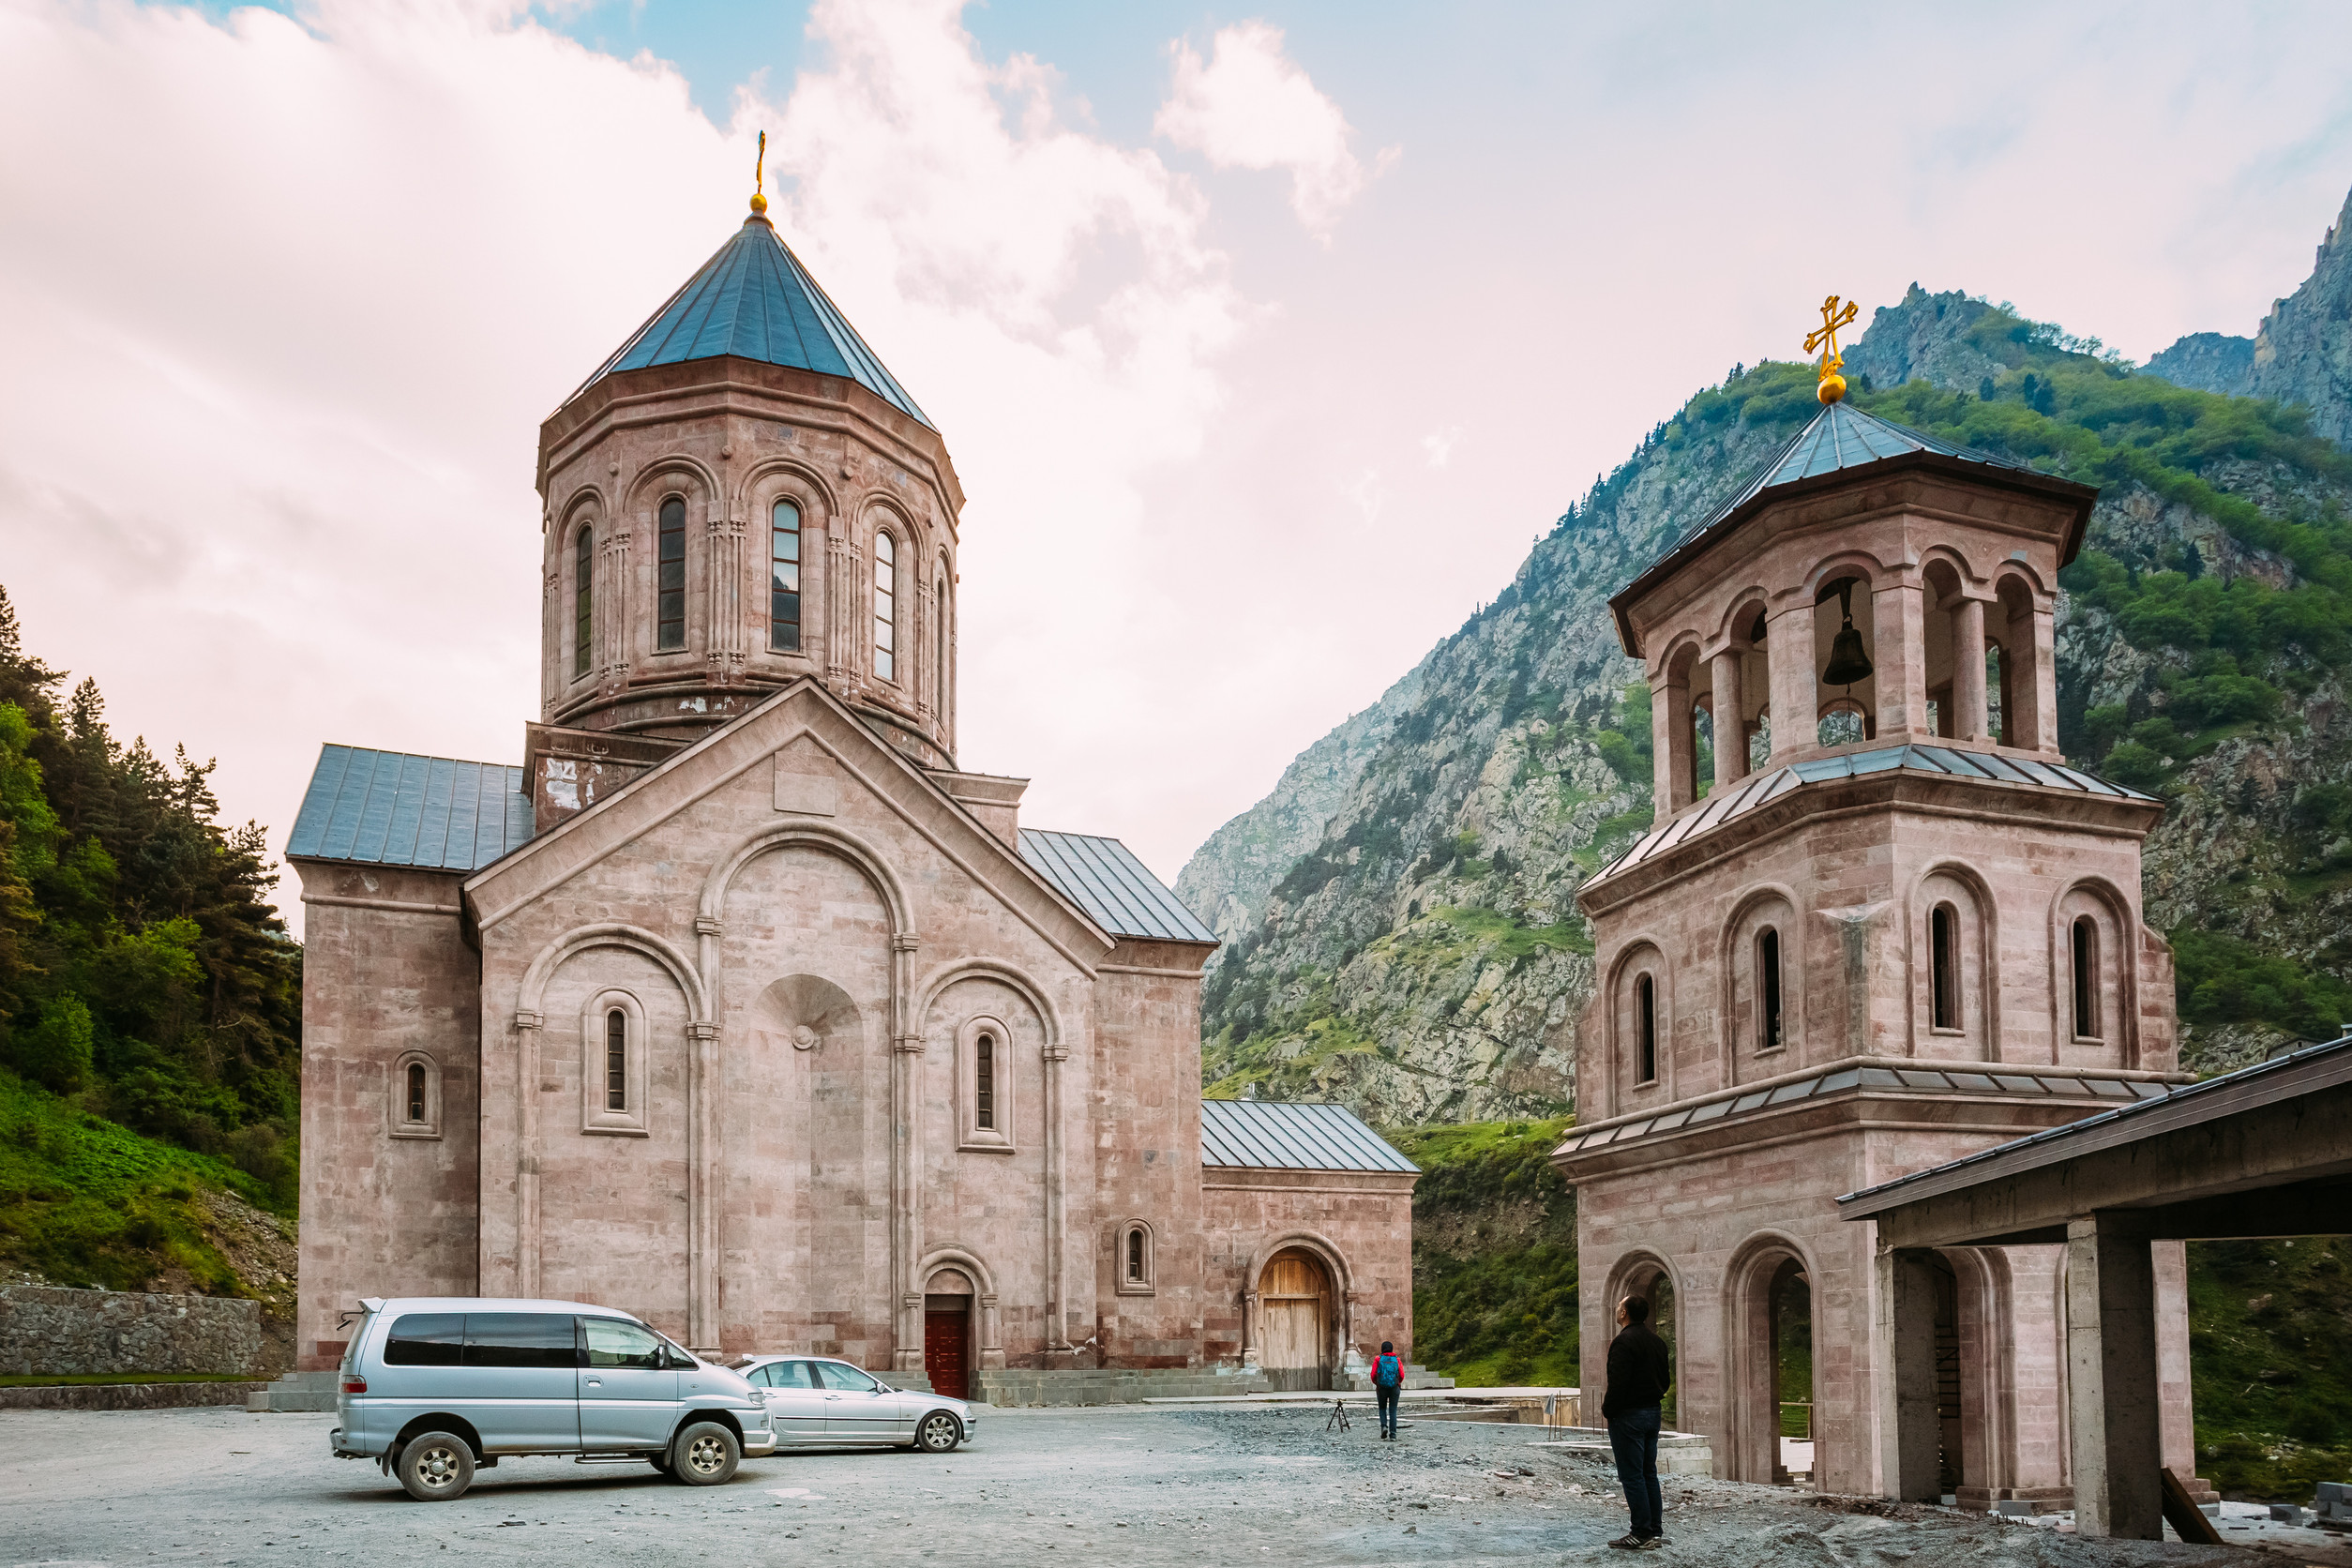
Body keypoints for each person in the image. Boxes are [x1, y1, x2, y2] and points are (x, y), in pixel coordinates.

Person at [1602, 1295, 1671, 1549]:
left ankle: (1640, 1532)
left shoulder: (1623, 1342)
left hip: (1629, 1415)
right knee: (1648, 1472)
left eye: (1619, 1306)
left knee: (1632, 1475)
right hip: (1652, 1412)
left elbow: (1617, 1382)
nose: (1617, 1309)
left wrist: (1609, 1410)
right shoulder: (1657, 1341)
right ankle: (1654, 1530)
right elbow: (1665, 1379)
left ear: (1624, 1314)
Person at [1370, 1341, 1404, 1439]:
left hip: (1381, 1388)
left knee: (1382, 1408)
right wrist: (1397, 1383)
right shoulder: (1397, 1360)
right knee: (1393, 1410)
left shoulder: (1378, 1359)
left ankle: (1384, 1426)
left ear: (1382, 1349)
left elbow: (1373, 1374)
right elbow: (1401, 1374)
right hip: (1394, 1388)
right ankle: (1393, 1434)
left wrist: (1377, 1383)